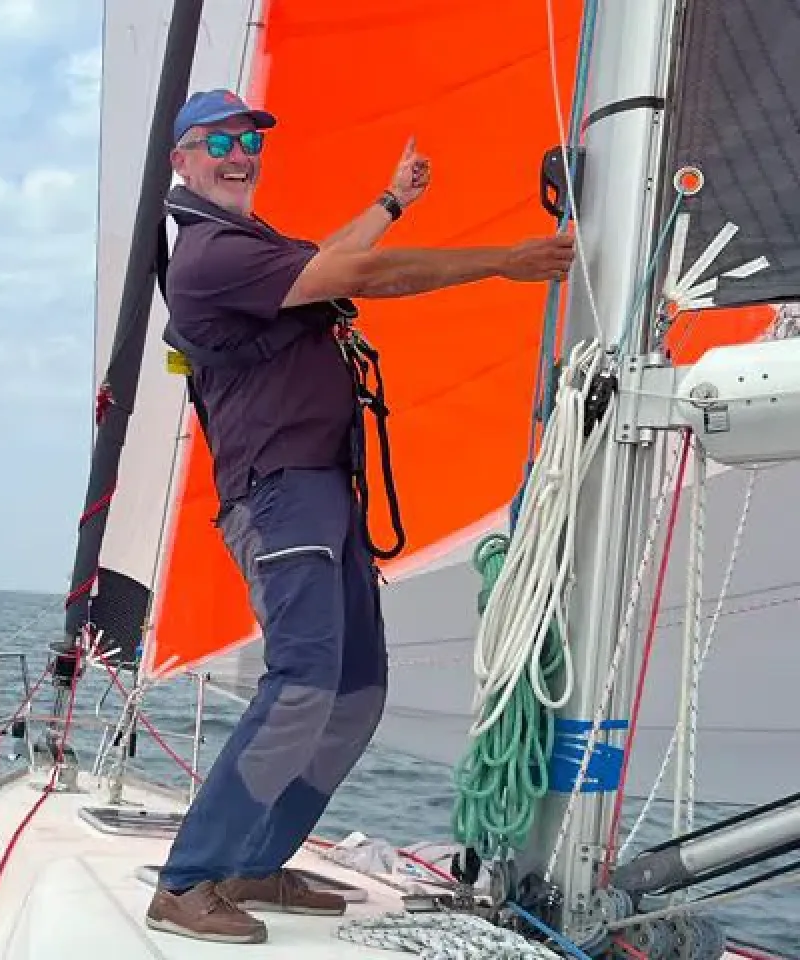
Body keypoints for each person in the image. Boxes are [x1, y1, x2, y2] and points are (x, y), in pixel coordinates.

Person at [144, 89, 576, 944]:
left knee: (356, 694)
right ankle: (189, 879)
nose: (241, 153)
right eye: (219, 140)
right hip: (280, 490)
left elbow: (328, 259)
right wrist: (504, 261)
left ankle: (253, 861)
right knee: (304, 682)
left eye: (251, 141)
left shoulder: (251, 245)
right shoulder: (205, 256)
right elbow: (360, 277)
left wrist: (391, 200)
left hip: (324, 490)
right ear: (181, 161)